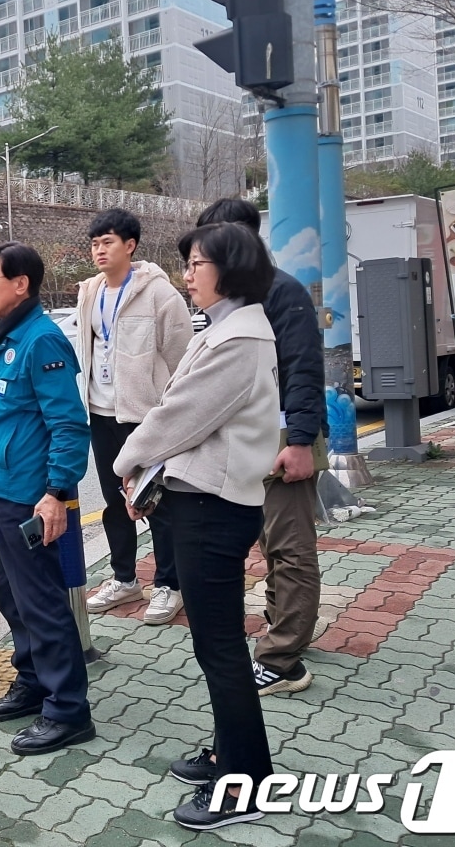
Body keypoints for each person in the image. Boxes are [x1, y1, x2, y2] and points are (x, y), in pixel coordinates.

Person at [115, 222, 278, 830]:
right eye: (185, 263)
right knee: (214, 647)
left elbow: (180, 415)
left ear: (229, 268)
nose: (187, 273)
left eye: (196, 263)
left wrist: (126, 460)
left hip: (215, 508)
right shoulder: (229, 328)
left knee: (221, 648)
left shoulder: (242, 338)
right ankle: (228, 756)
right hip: (199, 499)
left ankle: (248, 782)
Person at [0, 241, 95, 756]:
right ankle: (33, 679)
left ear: (22, 285)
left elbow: (68, 424)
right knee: (11, 595)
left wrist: (56, 492)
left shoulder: (40, 342)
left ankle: (68, 710)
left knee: (41, 602)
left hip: (28, 497)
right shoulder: (5, 338)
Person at [195, 199, 324, 696]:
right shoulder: (235, 298)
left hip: (282, 436)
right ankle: (285, 627)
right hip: (251, 437)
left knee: (289, 547)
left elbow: (304, 370)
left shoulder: (281, 292)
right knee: (270, 544)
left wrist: (299, 442)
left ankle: (282, 658)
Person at [75, 209, 192, 624]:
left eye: (107, 242)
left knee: (155, 500)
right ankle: (125, 579)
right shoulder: (89, 292)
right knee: (113, 501)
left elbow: (182, 359)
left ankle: (169, 585)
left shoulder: (160, 293)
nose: (100, 250)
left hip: (145, 417)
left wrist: (169, 414)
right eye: (94, 244)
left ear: (130, 245)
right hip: (101, 411)